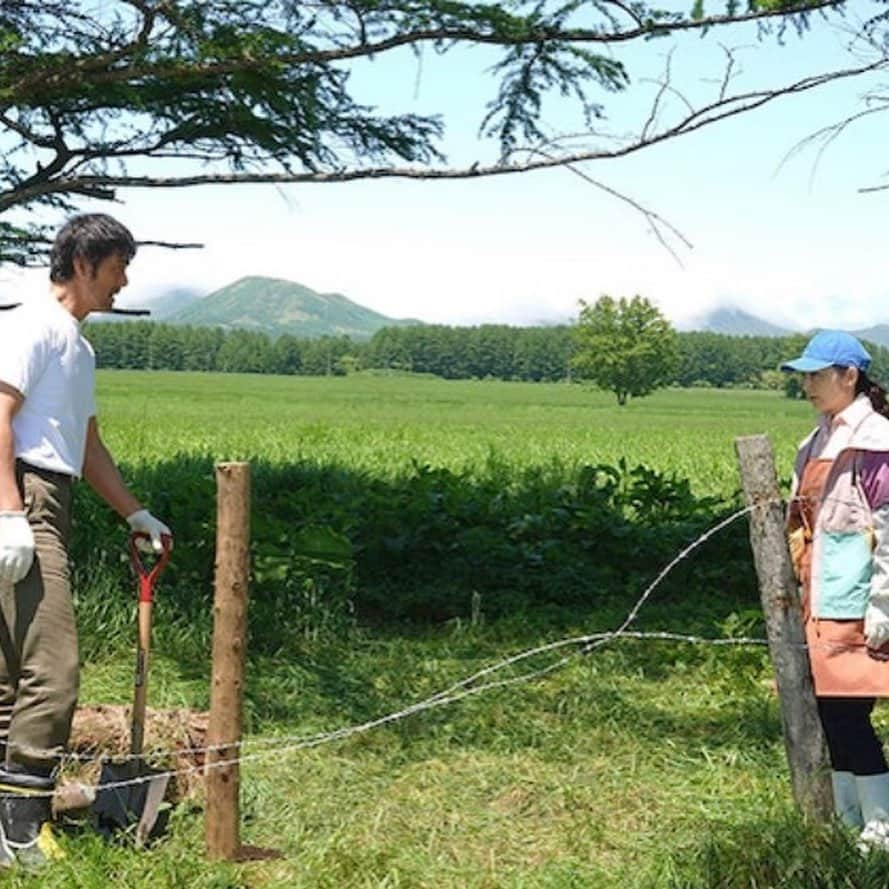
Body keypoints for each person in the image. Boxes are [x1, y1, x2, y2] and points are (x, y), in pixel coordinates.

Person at [0, 214, 172, 868]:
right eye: (118, 266)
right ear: (83, 262)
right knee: (54, 666)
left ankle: (4, 824)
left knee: (10, 672)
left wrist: (136, 512)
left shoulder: (79, 346)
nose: (124, 281)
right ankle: (22, 830)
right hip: (21, 496)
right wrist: (11, 514)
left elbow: (86, 444)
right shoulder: (29, 324)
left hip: (44, 494)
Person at [783, 330, 889, 851]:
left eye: (817, 375)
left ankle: (880, 832)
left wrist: (883, 606)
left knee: (847, 717)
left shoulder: (876, 441)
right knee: (830, 715)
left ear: (850, 376)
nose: (807, 385)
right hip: (817, 595)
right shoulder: (817, 438)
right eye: (804, 375)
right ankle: (851, 826)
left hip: (855, 597)